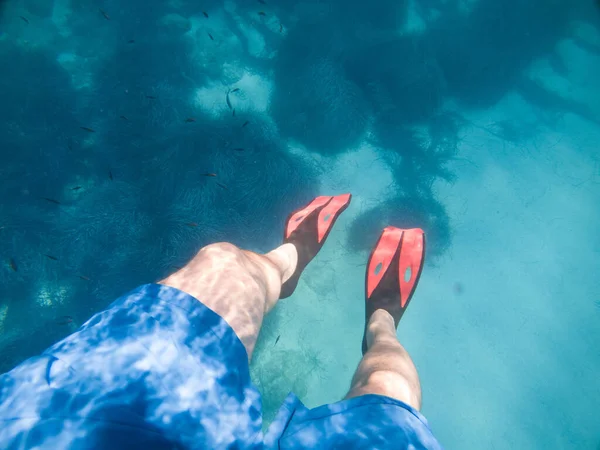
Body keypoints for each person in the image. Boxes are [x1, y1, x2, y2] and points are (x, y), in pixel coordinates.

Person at [0, 194, 442, 449]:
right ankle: (382, 320)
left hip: (62, 429)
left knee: (224, 264)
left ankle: (287, 259)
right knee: (389, 389)